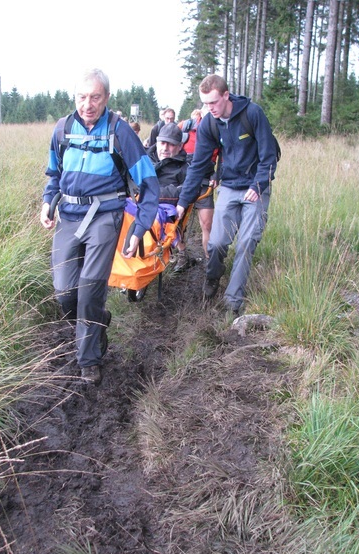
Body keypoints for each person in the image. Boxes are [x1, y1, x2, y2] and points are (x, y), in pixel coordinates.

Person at [40, 68, 159, 385]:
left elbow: (149, 183)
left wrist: (138, 230)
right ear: (74, 97)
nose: (87, 104)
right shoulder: (62, 130)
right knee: (66, 293)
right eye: (82, 97)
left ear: (106, 98)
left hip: (106, 217)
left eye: (95, 97)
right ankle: (98, 321)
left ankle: (89, 361)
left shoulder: (121, 132)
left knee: (91, 289)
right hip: (68, 216)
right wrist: (47, 203)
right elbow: (54, 175)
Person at [176, 74, 278, 315]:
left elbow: (269, 155)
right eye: (205, 103)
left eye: (213, 102)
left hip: (255, 187)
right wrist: (182, 202)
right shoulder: (209, 124)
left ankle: (233, 301)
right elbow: (198, 165)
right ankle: (213, 274)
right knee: (217, 242)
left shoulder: (252, 114)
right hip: (229, 187)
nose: (209, 108)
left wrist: (258, 185)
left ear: (226, 95)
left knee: (246, 242)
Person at [147, 122, 192, 273]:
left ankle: (181, 253)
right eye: (162, 143)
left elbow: (186, 190)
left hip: (167, 209)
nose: (165, 148)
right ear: (157, 142)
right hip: (139, 205)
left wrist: (154, 194)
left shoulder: (184, 168)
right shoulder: (145, 159)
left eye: (171, 145)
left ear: (179, 147)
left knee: (165, 217)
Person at [178, 108, 216, 259]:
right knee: (177, 222)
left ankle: (209, 262)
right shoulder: (184, 127)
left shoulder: (217, 130)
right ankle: (182, 255)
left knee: (207, 224)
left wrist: (217, 174)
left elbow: (225, 154)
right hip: (183, 180)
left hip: (205, 180)